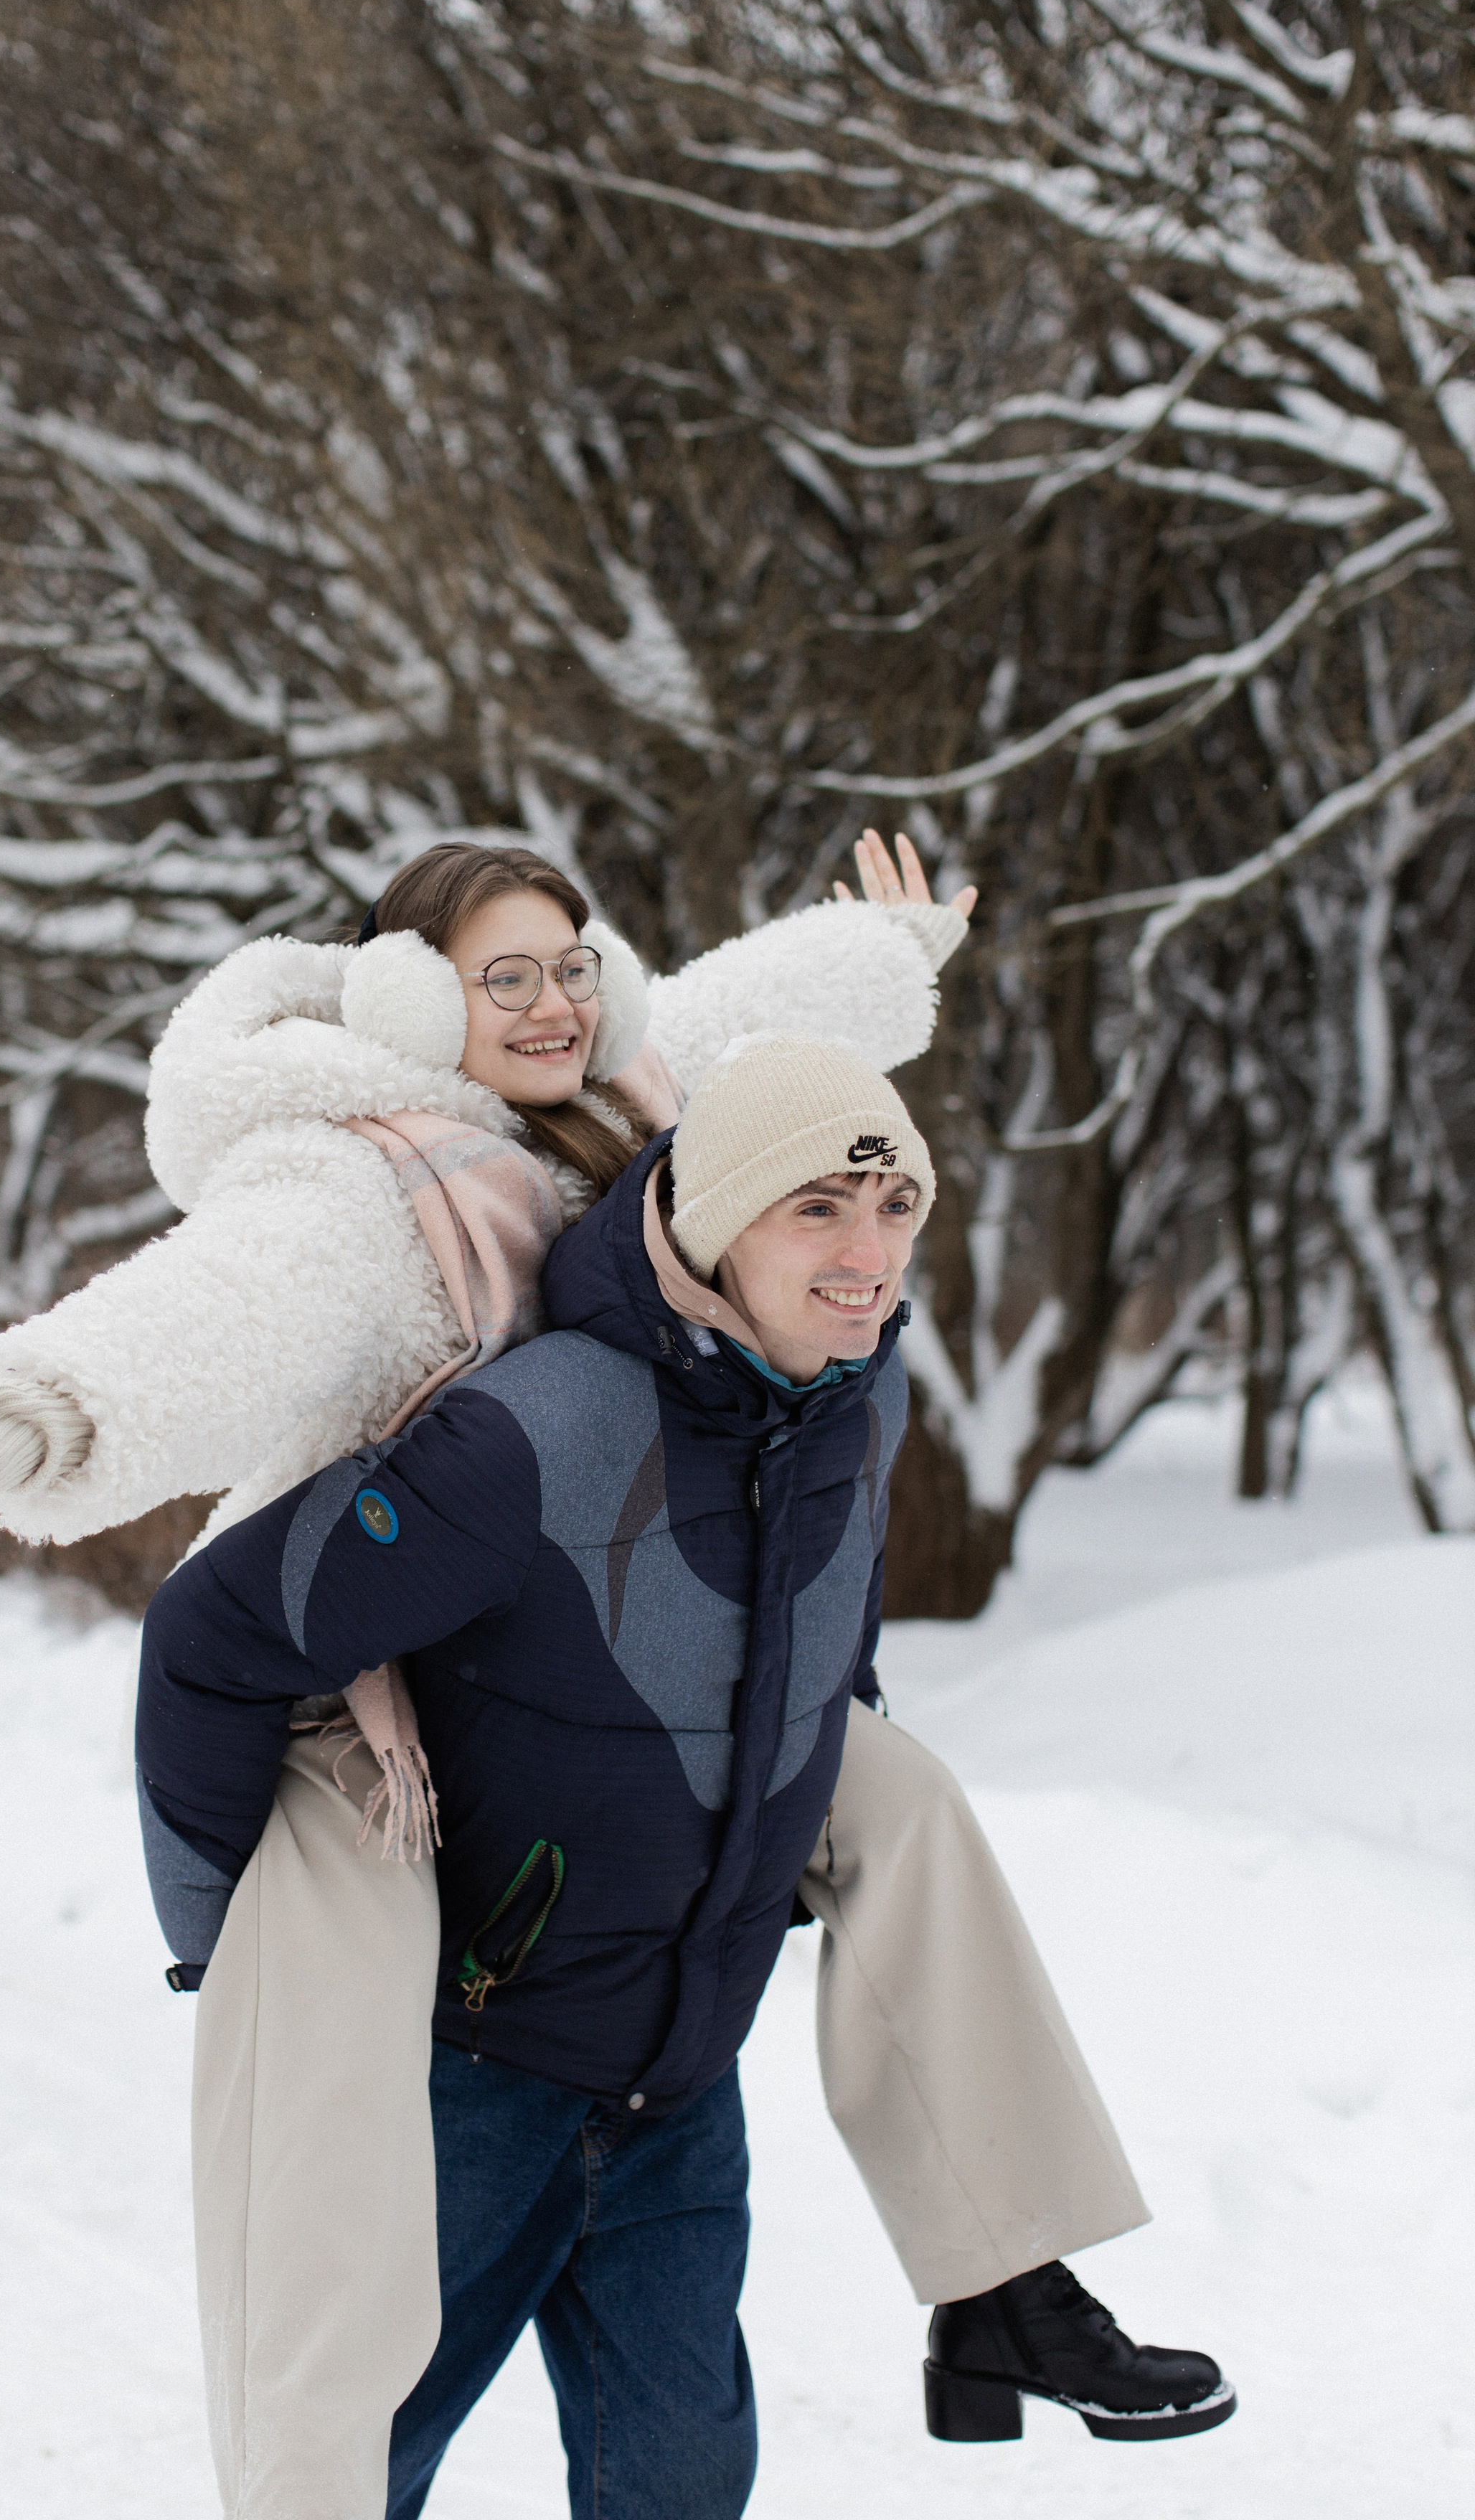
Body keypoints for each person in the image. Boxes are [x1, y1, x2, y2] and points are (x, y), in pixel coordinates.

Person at [0, 840, 1190, 2513]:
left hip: (607, 1637)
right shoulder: (354, 1184)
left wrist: (891, 946)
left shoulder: (633, 1100)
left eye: (572, 965)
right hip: (367, 1692)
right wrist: (8, 1431)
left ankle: (1007, 2276)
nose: (553, 1002)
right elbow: (195, 1325)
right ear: (407, 996)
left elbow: (755, 1041)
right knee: (348, 2339)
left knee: (895, 1798)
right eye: (502, 977)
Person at [137, 1038, 1235, 2520]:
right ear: (716, 1221)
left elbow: (825, 1637)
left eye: (895, 1205)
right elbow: (214, 1639)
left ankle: (1005, 2290)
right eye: (817, 1211)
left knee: (678, 2486)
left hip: (675, 2080)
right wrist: (228, 1944)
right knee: (351, 2471)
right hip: (472, 2083)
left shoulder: (857, 1393)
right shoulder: (535, 1432)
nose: (868, 1256)